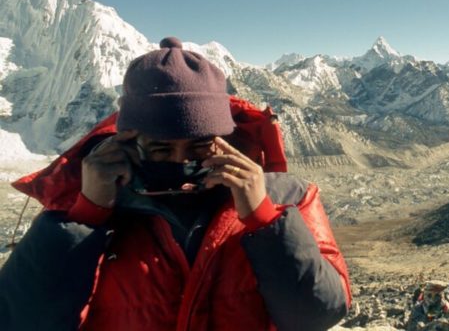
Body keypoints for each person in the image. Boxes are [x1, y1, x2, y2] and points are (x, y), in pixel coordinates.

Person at [0, 37, 351, 331]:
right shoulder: (84, 203)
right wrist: (86, 214)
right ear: (128, 140)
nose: (181, 160)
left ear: (223, 137)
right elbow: (22, 319)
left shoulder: (287, 197)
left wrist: (263, 216)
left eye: (199, 146)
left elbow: (318, 314)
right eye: (161, 148)